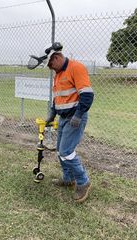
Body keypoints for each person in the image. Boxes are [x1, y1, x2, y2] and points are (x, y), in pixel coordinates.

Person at [43, 42, 94, 203]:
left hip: (75, 117)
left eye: (50, 64)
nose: (50, 67)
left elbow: (87, 95)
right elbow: (57, 98)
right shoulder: (58, 74)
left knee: (66, 151)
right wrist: (52, 114)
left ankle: (83, 181)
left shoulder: (76, 68)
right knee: (60, 150)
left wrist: (78, 115)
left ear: (57, 57)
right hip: (63, 117)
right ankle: (68, 178)